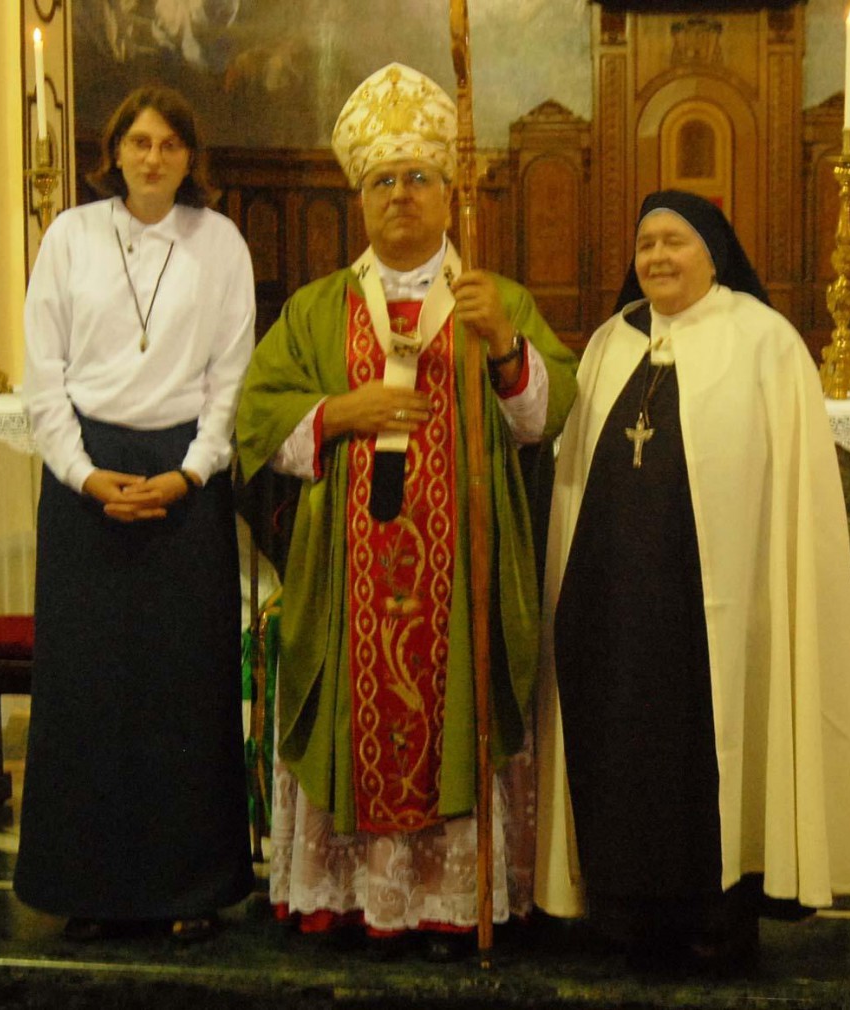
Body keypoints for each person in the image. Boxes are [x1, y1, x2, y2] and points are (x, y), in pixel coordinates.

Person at [236, 63, 577, 961]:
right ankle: (351, 900)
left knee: (454, 724)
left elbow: (546, 417)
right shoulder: (317, 309)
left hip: (460, 569)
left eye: (418, 178)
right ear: (359, 198)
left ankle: (446, 902)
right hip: (346, 574)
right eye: (383, 181)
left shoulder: (487, 301)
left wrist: (505, 342)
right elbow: (256, 419)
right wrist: (333, 415)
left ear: (448, 193)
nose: (401, 196)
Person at [534, 190, 850, 972]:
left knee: (709, 754)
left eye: (675, 242)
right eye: (646, 243)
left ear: (714, 253)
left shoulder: (764, 341)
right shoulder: (609, 343)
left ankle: (714, 917)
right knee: (617, 745)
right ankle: (620, 912)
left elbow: (788, 495)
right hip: (614, 610)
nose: (656, 257)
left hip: (713, 614)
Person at [15, 85, 256, 942]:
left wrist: (191, 473)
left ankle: (190, 889)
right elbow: (42, 373)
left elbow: (233, 373)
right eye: (138, 141)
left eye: (169, 143)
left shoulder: (219, 242)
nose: (153, 156)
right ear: (112, 150)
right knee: (90, 692)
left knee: (184, 692)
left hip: (183, 482)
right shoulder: (71, 236)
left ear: (192, 156)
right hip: (87, 482)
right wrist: (83, 474)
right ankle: (85, 885)